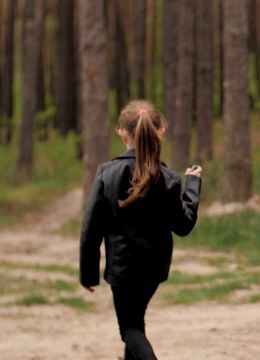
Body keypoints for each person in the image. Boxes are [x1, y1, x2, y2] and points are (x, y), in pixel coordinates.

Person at [79, 99, 202, 360]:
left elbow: (91, 231)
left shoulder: (106, 174)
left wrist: (88, 274)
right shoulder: (168, 179)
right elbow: (183, 225)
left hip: (122, 271)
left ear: (122, 133)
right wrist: (192, 183)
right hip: (153, 270)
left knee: (130, 328)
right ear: (161, 131)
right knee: (136, 321)